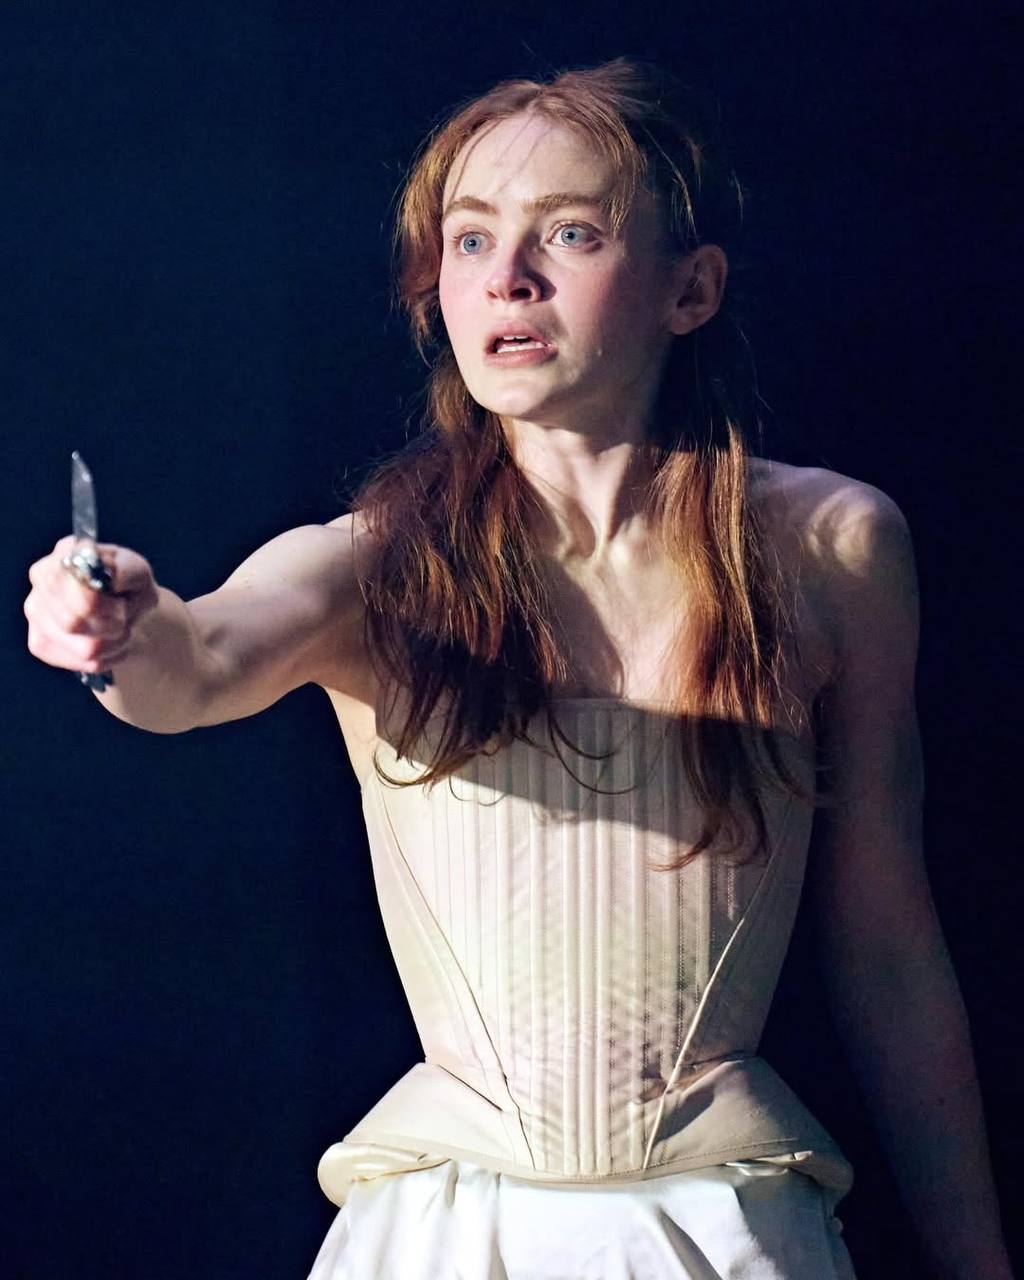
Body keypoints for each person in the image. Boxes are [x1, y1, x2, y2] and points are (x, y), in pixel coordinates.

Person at [24, 58, 1013, 1280]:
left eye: (571, 233)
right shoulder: (377, 561)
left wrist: (977, 1258)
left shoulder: (831, 548)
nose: (508, 277)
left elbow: (887, 941)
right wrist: (118, 627)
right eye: (471, 238)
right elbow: (197, 661)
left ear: (691, 288)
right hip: (449, 1236)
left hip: (724, 1232)